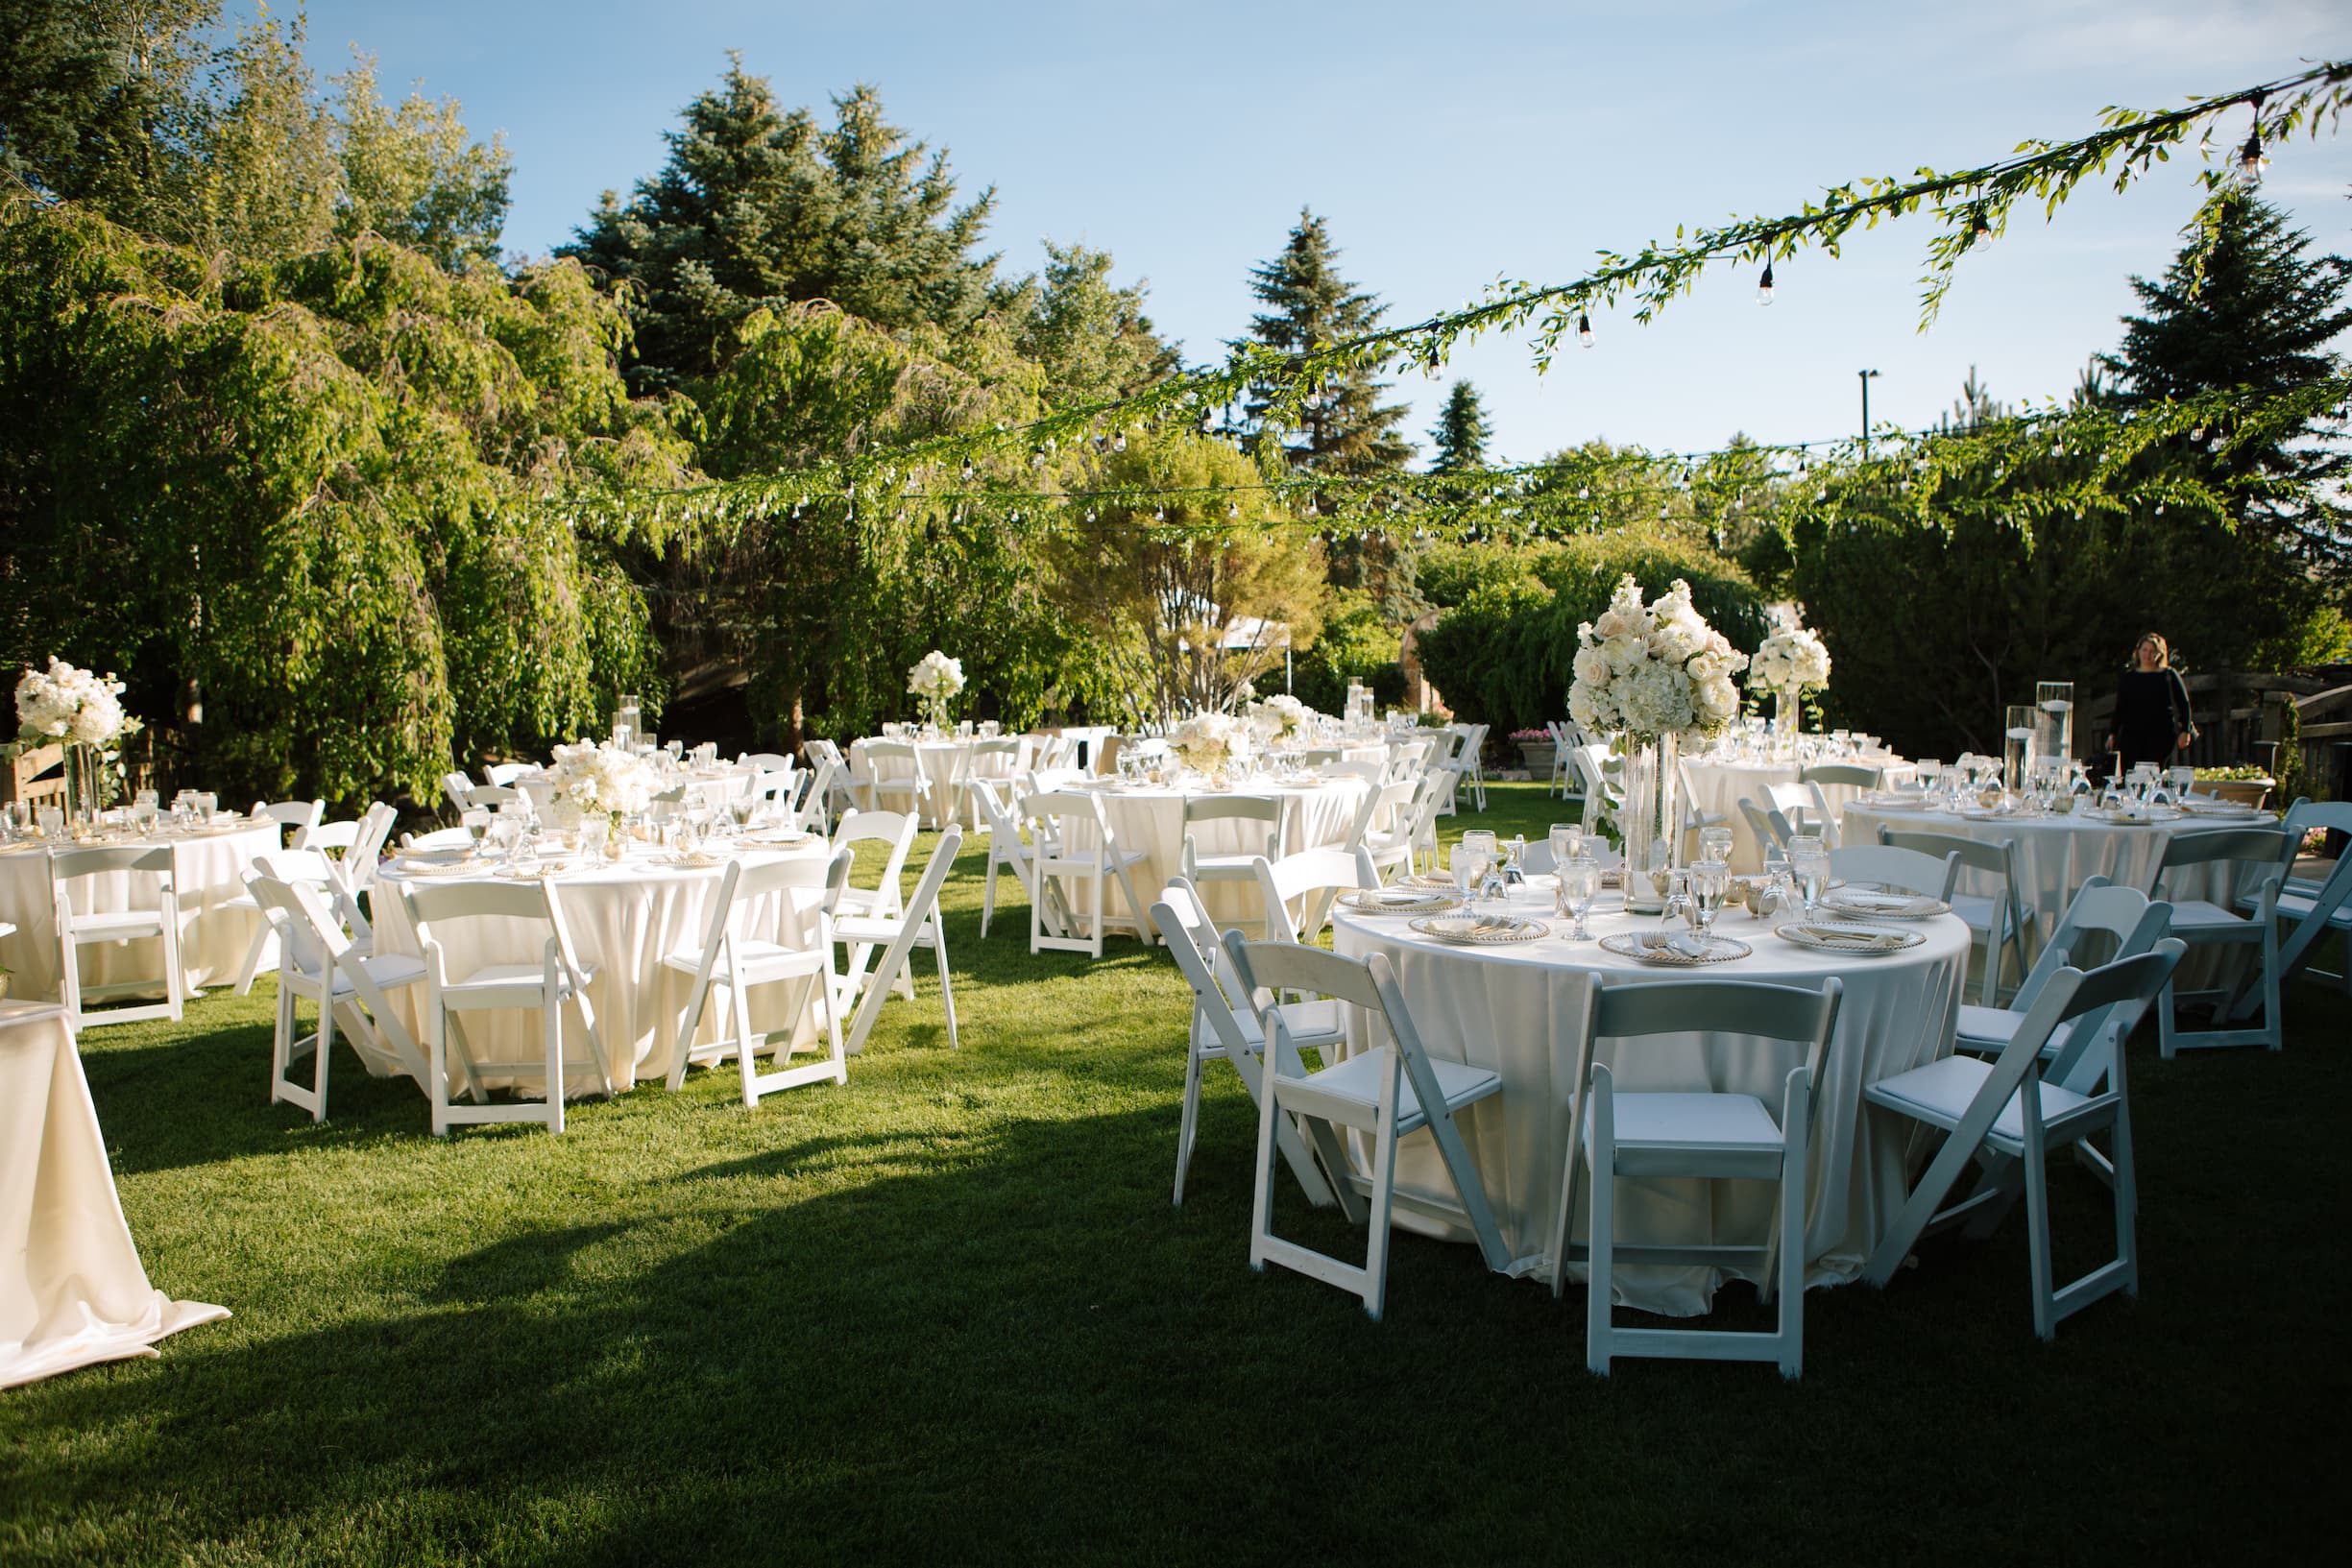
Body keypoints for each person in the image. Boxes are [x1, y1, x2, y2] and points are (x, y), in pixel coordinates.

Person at [2106, 632, 2195, 773]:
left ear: (2159, 654)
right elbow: (2120, 708)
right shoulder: (2129, 677)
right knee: (2131, 774)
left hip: (2161, 734)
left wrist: (2185, 731)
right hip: (2132, 735)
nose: (2148, 654)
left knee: (2152, 774)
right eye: (2145, 650)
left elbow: (2183, 703)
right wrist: (2112, 733)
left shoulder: (2168, 675)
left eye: (2152, 651)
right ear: (2138, 652)